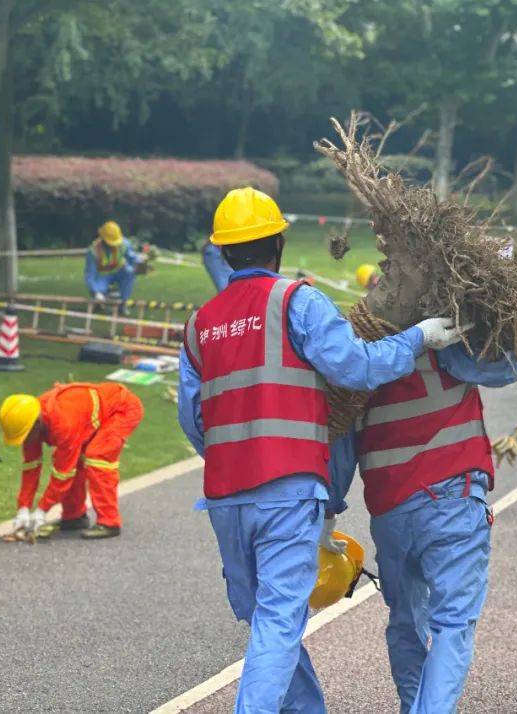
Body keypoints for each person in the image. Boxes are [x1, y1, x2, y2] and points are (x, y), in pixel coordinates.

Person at [177, 186, 465, 713]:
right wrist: (418, 338)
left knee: (263, 618)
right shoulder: (296, 301)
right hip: (287, 491)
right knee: (279, 621)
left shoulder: (200, 325)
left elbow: (193, 420)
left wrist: (233, 456)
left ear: (221, 252)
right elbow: (356, 368)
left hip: (224, 497)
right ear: (279, 245)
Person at [324, 276, 517, 712]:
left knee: (406, 624)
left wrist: (326, 517)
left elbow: (341, 455)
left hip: (391, 516)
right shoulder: (446, 345)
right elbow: (510, 364)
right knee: (453, 624)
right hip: (451, 502)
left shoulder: (359, 372)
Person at [0, 382, 144, 539]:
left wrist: (42, 510)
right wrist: (23, 508)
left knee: (97, 456)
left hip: (122, 409)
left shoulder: (62, 422)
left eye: (25, 437)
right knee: (71, 459)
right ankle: (74, 517)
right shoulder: (30, 421)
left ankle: (109, 522)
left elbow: (63, 474)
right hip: (90, 416)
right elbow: (30, 467)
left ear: (37, 424)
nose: (26, 442)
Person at [85, 221, 140, 306]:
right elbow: (90, 274)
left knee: (129, 273)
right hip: (103, 276)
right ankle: (101, 298)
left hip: (120, 271)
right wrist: (95, 291)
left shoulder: (124, 244)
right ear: (103, 239)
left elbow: (132, 258)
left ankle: (122, 304)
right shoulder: (93, 251)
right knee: (99, 292)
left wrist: (141, 262)